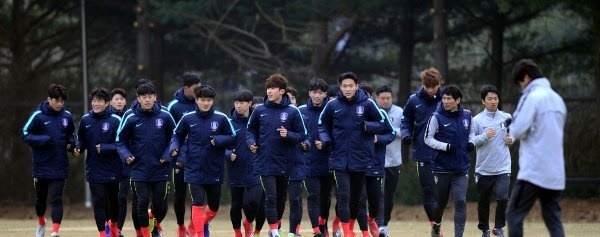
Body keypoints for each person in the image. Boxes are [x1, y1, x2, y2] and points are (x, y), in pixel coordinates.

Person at [318, 72, 390, 237]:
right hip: (339, 158)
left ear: (356, 86)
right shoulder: (333, 105)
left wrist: (367, 127)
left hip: (360, 158)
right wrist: (326, 139)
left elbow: (381, 123)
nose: (347, 89)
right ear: (341, 87)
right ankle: (347, 232)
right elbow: (322, 124)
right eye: (344, 86)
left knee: (356, 199)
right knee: (343, 196)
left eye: (351, 86)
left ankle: (350, 227)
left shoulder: (368, 104)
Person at [506, 59, 566, 237]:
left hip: (534, 171)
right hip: (555, 172)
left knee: (514, 214)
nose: (521, 87)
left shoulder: (532, 96)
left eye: (520, 82)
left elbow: (518, 128)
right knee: (553, 219)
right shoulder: (557, 99)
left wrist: (511, 131)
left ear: (525, 77)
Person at [169, 85, 236, 237]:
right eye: (203, 100)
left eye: (209, 100)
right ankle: (199, 233)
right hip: (193, 168)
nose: (206, 103)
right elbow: (177, 135)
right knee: (197, 202)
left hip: (214, 168)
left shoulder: (221, 118)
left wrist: (218, 140)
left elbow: (233, 137)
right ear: (197, 100)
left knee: (213, 207)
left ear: (212, 101)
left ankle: (196, 226)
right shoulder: (188, 118)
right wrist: (174, 147)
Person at [246, 73, 307, 237]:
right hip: (264, 161)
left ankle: (275, 226)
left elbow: (302, 135)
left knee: (280, 200)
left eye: (273, 88)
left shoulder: (293, 111)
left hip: (285, 163)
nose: (269, 91)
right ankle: (274, 231)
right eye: (268, 88)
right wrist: (251, 142)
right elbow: (250, 130)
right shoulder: (259, 110)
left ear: (282, 91)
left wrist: (288, 135)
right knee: (271, 197)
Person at [116, 82, 175, 237]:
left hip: (161, 168)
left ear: (155, 97)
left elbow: (176, 138)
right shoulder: (130, 116)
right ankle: (145, 234)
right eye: (144, 97)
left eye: (150, 96)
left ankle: (152, 222)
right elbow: (120, 140)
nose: (147, 100)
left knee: (159, 205)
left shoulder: (165, 115)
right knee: (142, 202)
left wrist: (167, 155)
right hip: (139, 167)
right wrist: (125, 155)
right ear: (138, 98)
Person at [22, 84, 76, 237]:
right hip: (41, 167)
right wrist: (43, 139)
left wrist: (71, 144)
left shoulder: (67, 116)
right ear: (49, 99)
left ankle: (55, 232)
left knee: (56, 199)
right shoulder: (38, 115)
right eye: (56, 100)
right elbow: (25, 133)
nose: (60, 104)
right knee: (40, 200)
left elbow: (71, 134)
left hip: (60, 166)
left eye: (62, 101)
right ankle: (41, 222)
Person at [424, 84, 474, 237]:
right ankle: (437, 226)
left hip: (461, 168)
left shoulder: (467, 115)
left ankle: (458, 235)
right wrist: (445, 147)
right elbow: (427, 139)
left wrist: (471, 142)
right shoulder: (436, 117)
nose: (445, 101)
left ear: (458, 100)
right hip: (442, 168)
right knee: (440, 204)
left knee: (460, 201)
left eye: (449, 99)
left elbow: (470, 133)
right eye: (444, 98)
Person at [74, 87, 123, 237]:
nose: (95, 104)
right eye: (94, 101)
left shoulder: (116, 120)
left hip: (113, 169)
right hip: (94, 169)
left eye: (99, 101)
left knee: (113, 202)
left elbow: (123, 144)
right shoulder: (85, 120)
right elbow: (81, 139)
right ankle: (103, 233)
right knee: (99, 201)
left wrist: (105, 147)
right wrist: (78, 148)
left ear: (107, 103)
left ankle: (113, 225)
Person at [400, 68, 442, 226]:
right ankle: (435, 225)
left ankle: (439, 220)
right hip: (422, 152)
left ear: (439, 83)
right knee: (427, 190)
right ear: (422, 84)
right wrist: (406, 134)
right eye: (427, 86)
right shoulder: (414, 100)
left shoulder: (447, 98)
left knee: (441, 192)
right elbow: (406, 120)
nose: (431, 90)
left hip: (443, 152)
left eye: (434, 87)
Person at [470, 85, 513, 237]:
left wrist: (511, 139)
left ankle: (499, 227)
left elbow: (512, 135)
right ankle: (485, 230)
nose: (493, 101)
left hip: (503, 167)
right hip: (484, 168)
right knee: (483, 202)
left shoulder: (507, 117)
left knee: (502, 197)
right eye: (489, 99)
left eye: (495, 98)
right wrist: (484, 136)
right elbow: (471, 142)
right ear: (483, 101)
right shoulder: (476, 120)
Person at [355, 83, 395, 237]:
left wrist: (378, 138)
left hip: (376, 164)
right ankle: (364, 230)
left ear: (370, 97)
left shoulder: (380, 114)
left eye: (365, 95)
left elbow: (391, 134)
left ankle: (375, 222)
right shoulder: (353, 113)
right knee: (360, 198)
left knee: (376, 198)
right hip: (356, 165)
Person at [167, 72, 202, 237]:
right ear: (186, 88)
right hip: (179, 160)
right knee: (180, 196)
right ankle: (181, 226)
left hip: (198, 158)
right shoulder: (174, 106)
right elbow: (170, 133)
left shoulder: (202, 102)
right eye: (196, 89)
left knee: (199, 196)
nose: (198, 92)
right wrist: (176, 155)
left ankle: (195, 227)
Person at [226, 89, 265, 237]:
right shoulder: (228, 123)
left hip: (256, 169)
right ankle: (238, 233)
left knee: (254, 202)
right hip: (236, 169)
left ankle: (248, 221)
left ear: (250, 103)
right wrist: (227, 154)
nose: (238, 106)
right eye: (236, 102)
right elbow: (218, 145)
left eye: (242, 103)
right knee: (236, 204)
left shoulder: (258, 122)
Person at [298, 78, 332, 237]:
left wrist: (326, 143)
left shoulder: (332, 109)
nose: (317, 96)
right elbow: (296, 133)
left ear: (325, 94)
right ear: (309, 93)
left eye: (320, 92)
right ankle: (316, 230)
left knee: (325, 198)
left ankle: (323, 225)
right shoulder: (300, 111)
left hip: (329, 162)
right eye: (314, 92)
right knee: (313, 196)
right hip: (308, 162)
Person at [373, 85, 403, 237]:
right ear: (376, 98)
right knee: (379, 193)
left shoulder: (399, 112)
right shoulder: (372, 112)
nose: (385, 101)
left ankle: (385, 222)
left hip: (394, 160)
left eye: (388, 98)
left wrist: (389, 129)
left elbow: (405, 132)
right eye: (382, 98)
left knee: (389, 196)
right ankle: (380, 225)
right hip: (377, 161)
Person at [286, 86, 308, 237]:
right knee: (277, 200)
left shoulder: (303, 118)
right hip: (276, 165)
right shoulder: (272, 117)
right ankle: (276, 229)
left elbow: (308, 138)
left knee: (295, 200)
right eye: (287, 97)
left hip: (297, 165)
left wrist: (306, 144)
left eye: (293, 98)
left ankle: (294, 232)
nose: (290, 100)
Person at [110, 88, 129, 237]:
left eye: (122, 99)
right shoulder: (105, 117)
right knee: (109, 199)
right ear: (110, 101)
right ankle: (108, 227)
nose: (119, 101)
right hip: (108, 165)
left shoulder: (130, 116)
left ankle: (118, 229)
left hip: (126, 164)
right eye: (116, 99)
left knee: (122, 198)